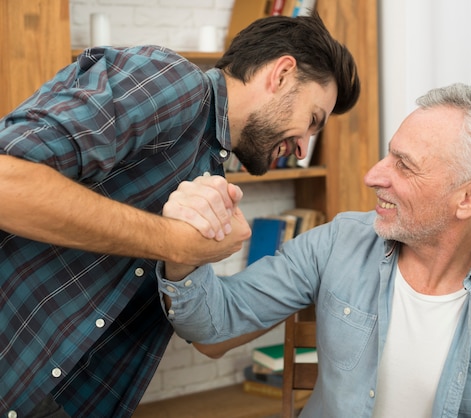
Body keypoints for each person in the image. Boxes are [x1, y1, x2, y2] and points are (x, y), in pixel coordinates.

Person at [0, 12, 360, 418]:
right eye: (312, 121)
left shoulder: (210, 171)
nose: (302, 148)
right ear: (281, 74)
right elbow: (6, 181)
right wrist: (175, 241)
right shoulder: (173, 81)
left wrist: (189, 263)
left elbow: (210, 337)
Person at [158, 83, 471, 417]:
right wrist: (183, 249)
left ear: (470, 198)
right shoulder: (339, 241)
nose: (373, 176)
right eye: (387, 155)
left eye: (404, 165)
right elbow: (214, 327)